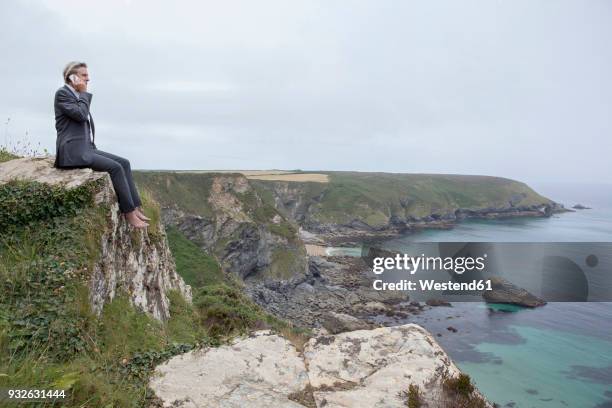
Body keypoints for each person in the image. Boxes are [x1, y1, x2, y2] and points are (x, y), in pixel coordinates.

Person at [54, 61, 150, 229]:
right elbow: (81, 115)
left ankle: (135, 208)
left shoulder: (75, 96)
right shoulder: (62, 94)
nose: (88, 79)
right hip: (73, 152)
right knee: (115, 168)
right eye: (84, 75)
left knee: (124, 162)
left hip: (86, 148)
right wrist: (84, 94)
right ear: (72, 78)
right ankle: (128, 214)